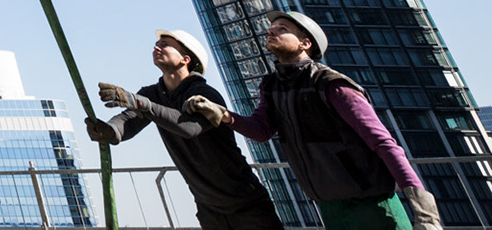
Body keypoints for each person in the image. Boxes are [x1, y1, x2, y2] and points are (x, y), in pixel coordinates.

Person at [183, 12, 441, 230]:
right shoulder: (273, 86)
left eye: (282, 29)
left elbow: (383, 142)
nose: (272, 32)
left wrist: (423, 208)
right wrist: (224, 115)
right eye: (271, 29)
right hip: (329, 206)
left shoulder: (331, 84)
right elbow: (261, 130)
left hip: (370, 205)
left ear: (305, 43)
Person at [87, 29, 283, 230]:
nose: (157, 47)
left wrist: (142, 104)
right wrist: (108, 130)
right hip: (208, 207)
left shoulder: (205, 94)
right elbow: (128, 121)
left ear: (185, 59)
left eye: (165, 44)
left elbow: (189, 127)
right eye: (157, 44)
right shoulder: (152, 94)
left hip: (245, 203)